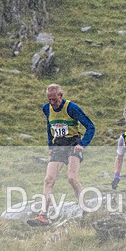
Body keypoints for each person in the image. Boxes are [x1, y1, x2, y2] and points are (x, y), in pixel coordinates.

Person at [28, 84, 95, 226]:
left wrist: (82, 144)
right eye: (49, 99)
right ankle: (43, 215)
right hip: (58, 145)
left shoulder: (71, 108)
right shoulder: (46, 109)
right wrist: (50, 146)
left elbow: (90, 126)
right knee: (48, 179)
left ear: (61, 96)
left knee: (71, 178)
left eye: (54, 99)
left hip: (73, 144)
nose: (52, 102)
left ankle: (85, 209)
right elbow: (49, 126)